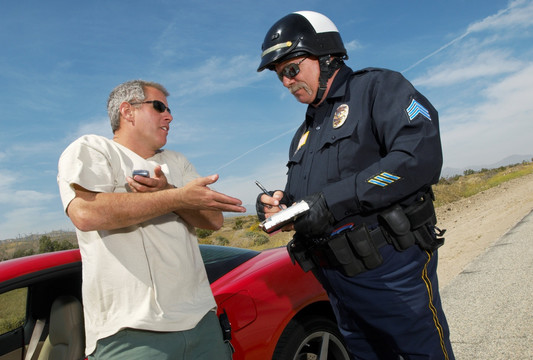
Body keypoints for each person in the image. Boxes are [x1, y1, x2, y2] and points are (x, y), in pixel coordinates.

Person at [256, 11, 455, 360]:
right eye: (279, 76)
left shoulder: (377, 88)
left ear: (326, 55)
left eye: (291, 69)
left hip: (391, 271)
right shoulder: (303, 134)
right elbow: (305, 195)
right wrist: (278, 203)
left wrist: (331, 202)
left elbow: (418, 156)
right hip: (337, 281)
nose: (287, 82)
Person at [57, 80, 245, 359]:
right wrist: (176, 199)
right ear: (127, 111)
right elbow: (86, 213)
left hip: (202, 324)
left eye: (169, 110)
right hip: (131, 335)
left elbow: (214, 219)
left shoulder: (178, 161)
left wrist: (169, 191)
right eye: (159, 107)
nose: (169, 116)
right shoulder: (92, 149)